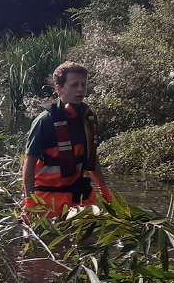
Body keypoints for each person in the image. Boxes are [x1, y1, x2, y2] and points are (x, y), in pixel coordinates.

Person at [21, 62, 111, 220]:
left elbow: (92, 158)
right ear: (59, 88)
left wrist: (104, 189)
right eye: (74, 85)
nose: (81, 89)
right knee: (47, 242)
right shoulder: (45, 122)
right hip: (47, 198)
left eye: (83, 85)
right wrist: (29, 199)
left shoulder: (88, 119)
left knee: (93, 238)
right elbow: (29, 163)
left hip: (79, 196)